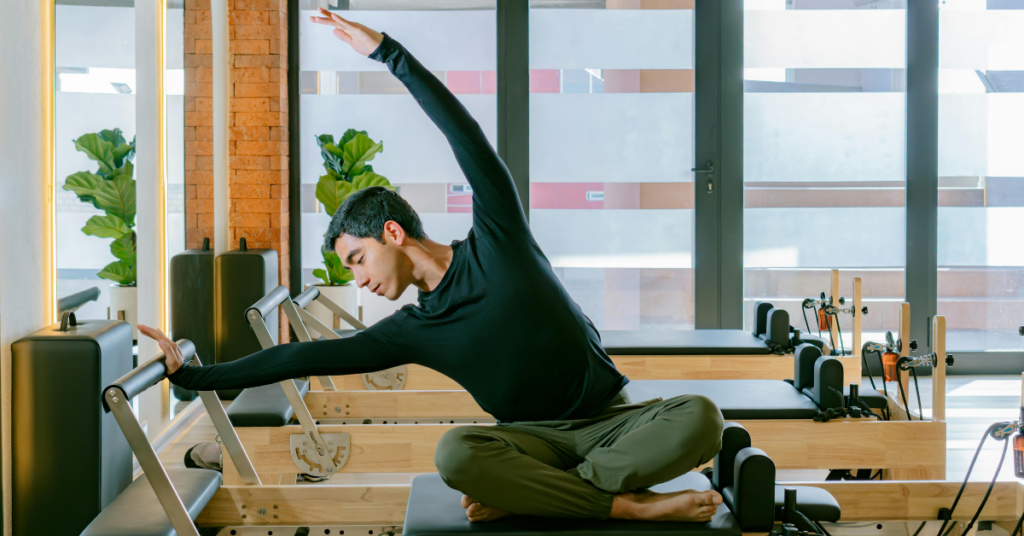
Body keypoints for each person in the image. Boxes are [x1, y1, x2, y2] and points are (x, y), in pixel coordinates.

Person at [139, 9, 723, 524]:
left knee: (702, 418)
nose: (358, 279)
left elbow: (464, 135)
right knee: (457, 455)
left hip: (612, 421)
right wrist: (192, 375)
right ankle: (617, 503)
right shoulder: (413, 330)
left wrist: (389, 53)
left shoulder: (500, 240)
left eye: (358, 258)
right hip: (529, 444)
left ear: (392, 232)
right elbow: (304, 355)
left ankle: (545, 497)